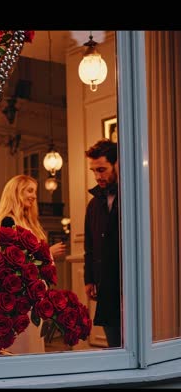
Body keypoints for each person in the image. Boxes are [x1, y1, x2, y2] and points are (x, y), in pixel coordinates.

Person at [0, 174, 66, 354]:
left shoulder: (30, 222)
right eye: (29, 191)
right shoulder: (8, 222)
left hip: (35, 294)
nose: (34, 196)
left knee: (34, 344)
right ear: (16, 192)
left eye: (35, 191)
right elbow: (13, 260)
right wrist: (50, 252)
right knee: (22, 344)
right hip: (19, 296)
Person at [84, 138, 121, 348]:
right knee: (114, 345)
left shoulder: (130, 196)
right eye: (94, 171)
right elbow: (89, 245)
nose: (98, 176)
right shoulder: (93, 204)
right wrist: (89, 279)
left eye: (102, 169)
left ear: (116, 165)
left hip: (127, 283)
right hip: (105, 285)